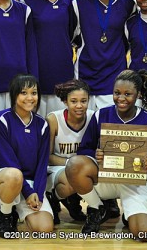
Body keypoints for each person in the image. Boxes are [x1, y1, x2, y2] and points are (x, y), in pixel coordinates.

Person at [65, 69, 147, 238]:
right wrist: (95, 154)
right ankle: (97, 208)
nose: (121, 98)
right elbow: (84, 150)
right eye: (117, 93)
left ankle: (129, 211)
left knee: (145, 233)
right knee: (74, 165)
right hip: (105, 176)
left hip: (135, 183)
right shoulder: (100, 115)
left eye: (127, 94)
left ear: (138, 94)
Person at [0, 74, 53, 238]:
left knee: (44, 228)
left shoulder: (42, 124)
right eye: (24, 92)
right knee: (14, 175)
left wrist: (37, 192)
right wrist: (29, 191)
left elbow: (42, 164)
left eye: (34, 93)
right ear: (14, 94)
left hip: (28, 184)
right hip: (4, 179)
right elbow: (6, 160)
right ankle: (5, 214)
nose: (30, 98)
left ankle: (17, 210)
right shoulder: (1, 120)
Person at [72, 0, 136, 110]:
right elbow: (73, 38)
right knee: (86, 129)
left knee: (108, 130)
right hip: (84, 73)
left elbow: (130, 39)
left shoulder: (128, 4)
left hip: (114, 75)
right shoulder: (78, 4)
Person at [19, 0, 75, 117]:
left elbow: (72, 33)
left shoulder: (71, 1)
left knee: (59, 123)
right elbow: (22, 38)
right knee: (36, 123)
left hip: (62, 69)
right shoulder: (26, 1)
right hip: (36, 70)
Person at [45, 79, 94, 223]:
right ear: (65, 102)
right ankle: (52, 198)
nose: (79, 105)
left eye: (83, 101)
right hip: (56, 169)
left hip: (82, 168)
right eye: (74, 101)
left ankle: (84, 204)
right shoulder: (53, 119)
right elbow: (47, 157)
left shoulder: (93, 117)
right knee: (72, 180)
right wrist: (72, 163)